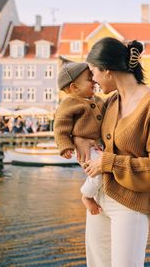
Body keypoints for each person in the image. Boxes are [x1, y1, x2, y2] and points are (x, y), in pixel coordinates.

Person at [73, 37, 150, 267]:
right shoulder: (112, 101)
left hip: (130, 204)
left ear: (108, 70)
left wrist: (110, 162)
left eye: (93, 71)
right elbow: (87, 128)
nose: (92, 78)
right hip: (99, 199)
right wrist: (79, 140)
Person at [54, 60, 105, 215]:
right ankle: (87, 196)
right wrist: (65, 146)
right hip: (86, 150)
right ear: (74, 87)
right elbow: (60, 126)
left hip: (97, 145)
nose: (94, 80)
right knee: (98, 171)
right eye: (90, 78)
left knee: (101, 170)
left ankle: (95, 193)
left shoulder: (97, 100)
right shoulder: (69, 103)